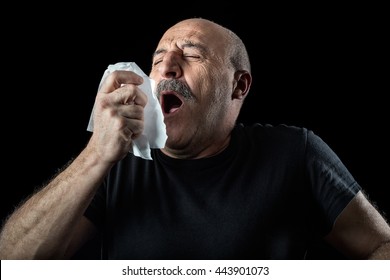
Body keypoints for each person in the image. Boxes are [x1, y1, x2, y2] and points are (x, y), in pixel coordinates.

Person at [0, 17, 389, 260]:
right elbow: (13, 263)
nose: (167, 65)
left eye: (193, 54)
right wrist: (95, 157)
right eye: (157, 59)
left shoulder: (295, 154)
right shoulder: (114, 162)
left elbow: (380, 247)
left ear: (239, 86)